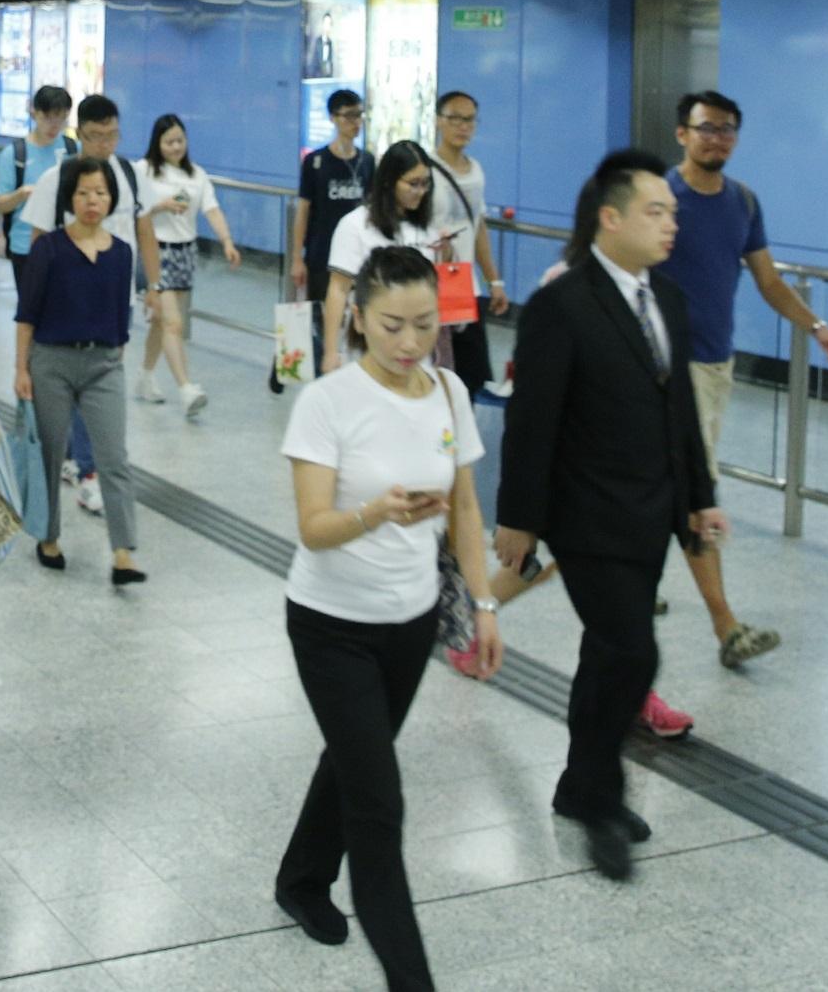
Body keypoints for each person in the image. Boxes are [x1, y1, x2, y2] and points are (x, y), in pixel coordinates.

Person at [493, 150, 724, 881]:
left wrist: (699, 497)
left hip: (650, 508)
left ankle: (576, 784)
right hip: (584, 511)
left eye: (672, 213)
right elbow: (532, 421)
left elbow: (678, 409)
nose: (669, 225)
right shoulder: (564, 302)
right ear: (609, 218)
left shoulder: (669, 301)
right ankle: (601, 799)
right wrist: (517, 519)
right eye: (655, 211)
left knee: (607, 650)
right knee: (632, 650)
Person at [276, 245, 501, 989]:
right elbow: (313, 527)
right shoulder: (328, 402)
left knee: (353, 757)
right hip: (329, 623)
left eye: (424, 325)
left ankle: (301, 878)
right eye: (392, 325)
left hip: (410, 624)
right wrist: (376, 512)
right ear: (359, 319)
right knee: (379, 800)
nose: (409, 344)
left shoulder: (447, 392)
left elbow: (465, 507)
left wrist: (484, 602)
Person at [646, 89, 828, 674]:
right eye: (707, 128)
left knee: (670, 483)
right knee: (696, 490)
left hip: (715, 363)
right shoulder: (659, 199)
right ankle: (726, 627)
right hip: (666, 366)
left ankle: (637, 583)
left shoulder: (743, 202)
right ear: (682, 133)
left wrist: (817, 327)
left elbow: (766, 280)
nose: (718, 138)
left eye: (728, 129)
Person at [14, 158, 147, 584]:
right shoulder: (48, 248)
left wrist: (118, 357)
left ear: (112, 199)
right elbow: (27, 314)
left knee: (114, 456)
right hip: (51, 361)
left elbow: (120, 313)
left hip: (104, 364)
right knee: (52, 454)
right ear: (69, 198)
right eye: (84, 193)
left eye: (101, 193)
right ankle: (48, 537)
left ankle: (123, 552)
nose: (93, 201)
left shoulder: (122, 252)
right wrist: (22, 367)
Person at [322, 141, 459, 372]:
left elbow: (436, 283)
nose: (421, 191)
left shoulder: (426, 227)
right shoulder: (355, 226)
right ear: (388, 181)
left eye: (426, 184)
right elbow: (338, 290)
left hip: (414, 347)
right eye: (412, 183)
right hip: (367, 347)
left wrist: (446, 253)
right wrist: (330, 351)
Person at [136, 112, 238, 416]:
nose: (176, 146)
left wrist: (227, 241)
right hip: (156, 251)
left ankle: (144, 375)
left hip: (184, 253)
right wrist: (160, 206)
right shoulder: (144, 171)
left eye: (180, 140)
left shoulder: (197, 175)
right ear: (158, 143)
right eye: (169, 142)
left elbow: (212, 210)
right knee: (173, 322)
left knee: (160, 322)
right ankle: (185, 388)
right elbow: (133, 209)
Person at [420, 91, 511, 397]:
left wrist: (493, 280)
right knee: (433, 370)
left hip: (462, 286)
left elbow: (478, 227)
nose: (463, 126)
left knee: (467, 377)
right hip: (428, 286)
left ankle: (460, 440)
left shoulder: (476, 171)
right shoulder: (424, 170)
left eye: (469, 119)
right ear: (438, 121)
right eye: (454, 118)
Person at [289, 90, 374, 385]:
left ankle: (352, 376)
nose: (355, 122)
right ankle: (322, 372)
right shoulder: (315, 162)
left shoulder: (368, 162)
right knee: (323, 318)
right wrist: (297, 258)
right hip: (321, 255)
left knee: (357, 318)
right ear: (333, 118)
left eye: (359, 115)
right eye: (348, 115)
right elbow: (303, 211)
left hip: (359, 258)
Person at [0, 85, 72, 269]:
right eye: (48, 118)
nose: (54, 126)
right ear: (35, 113)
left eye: (61, 119)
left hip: (67, 242)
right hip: (25, 245)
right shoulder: (15, 154)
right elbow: (0, 205)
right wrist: (21, 194)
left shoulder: (73, 150)